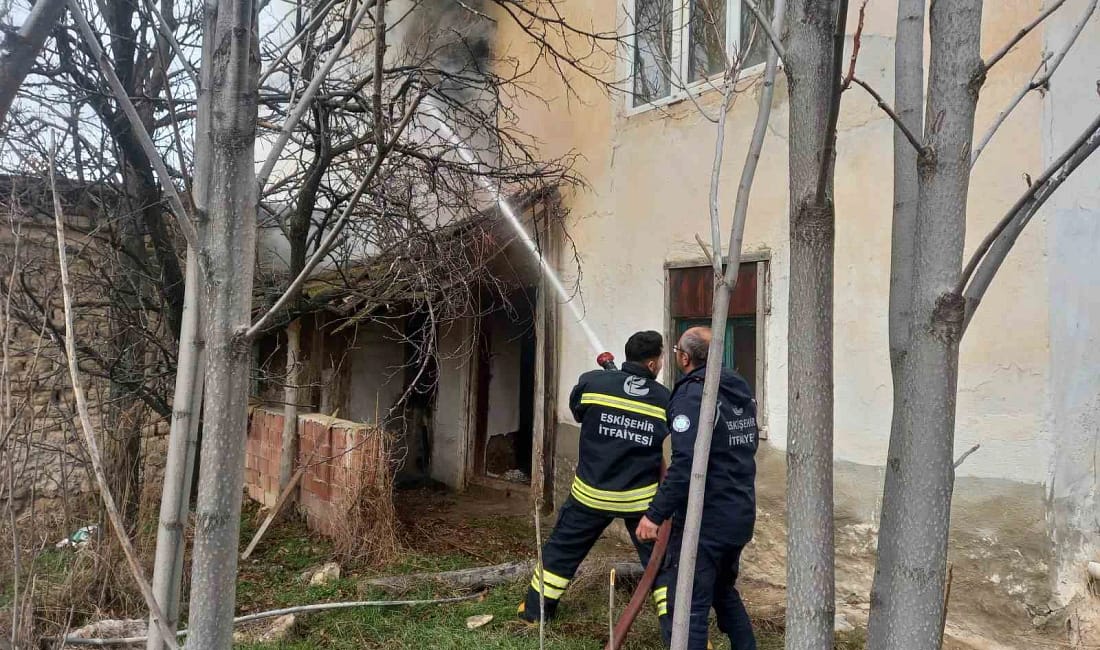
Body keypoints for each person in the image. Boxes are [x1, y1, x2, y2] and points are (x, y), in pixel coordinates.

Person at [519, 331, 671, 624]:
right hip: (639, 503)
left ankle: (535, 614)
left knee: (561, 552)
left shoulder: (592, 383)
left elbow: (579, 413)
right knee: (662, 564)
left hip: (590, 494)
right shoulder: (664, 399)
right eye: (661, 359)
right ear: (653, 364)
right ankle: (679, 633)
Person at [636, 326, 759, 650]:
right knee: (722, 591)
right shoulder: (737, 387)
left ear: (685, 358)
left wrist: (654, 515)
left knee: (688, 605)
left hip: (707, 520)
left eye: (677, 350)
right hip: (739, 512)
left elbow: (686, 464)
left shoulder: (695, 395)